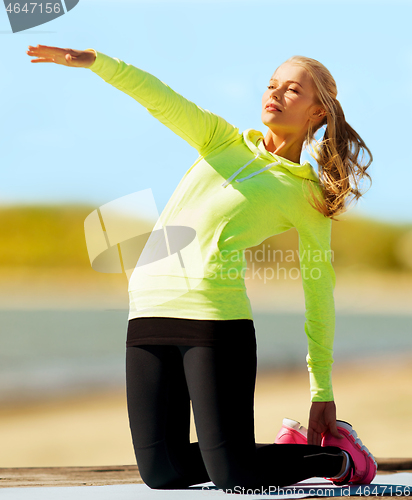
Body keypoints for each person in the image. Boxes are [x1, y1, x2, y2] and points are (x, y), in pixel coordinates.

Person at [27, 44, 375, 493]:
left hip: (214, 322)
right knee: (161, 474)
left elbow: (318, 292)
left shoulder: (306, 195)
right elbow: (160, 97)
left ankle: (340, 458)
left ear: (317, 113)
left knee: (236, 477)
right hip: (148, 312)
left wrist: (320, 388)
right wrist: (97, 62)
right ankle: (276, 451)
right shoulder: (220, 138)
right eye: (272, 85)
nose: (275, 94)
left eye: (292, 90)